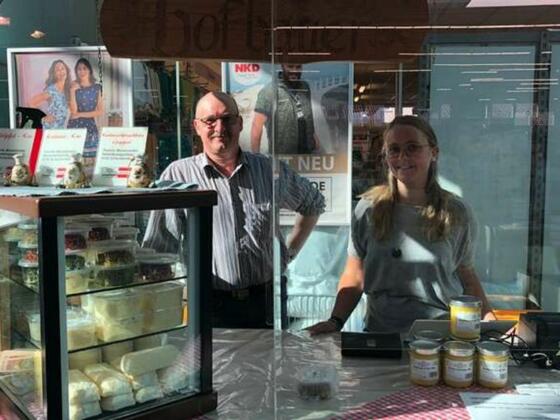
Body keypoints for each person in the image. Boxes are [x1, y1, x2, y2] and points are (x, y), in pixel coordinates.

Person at [143, 91, 325, 329]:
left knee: (269, 355)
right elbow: (158, 249)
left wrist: (288, 253)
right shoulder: (178, 176)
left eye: (227, 119)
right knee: (212, 356)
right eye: (210, 120)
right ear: (197, 127)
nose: (220, 127)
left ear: (239, 124)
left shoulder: (269, 171)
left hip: (267, 301)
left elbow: (313, 203)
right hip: (209, 302)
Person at [308, 115, 494, 335]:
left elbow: (467, 278)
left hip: (439, 340)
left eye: (412, 147)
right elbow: (355, 276)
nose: (402, 156)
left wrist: (491, 325)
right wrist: (335, 321)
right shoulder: (368, 210)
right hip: (380, 338)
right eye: (394, 149)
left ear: (434, 152)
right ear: (385, 156)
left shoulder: (456, 212)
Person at [251, 64, 320, 154]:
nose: (294, 71)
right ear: (283, 66)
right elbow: (257, 126)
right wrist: (256, 157)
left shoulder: (305, 87)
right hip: (282, 157)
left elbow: (306, 116)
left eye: (298, 67)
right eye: (290, 67)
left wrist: (314, 139)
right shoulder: (269, 91)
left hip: (307, 154)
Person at [67, 58, 104, 163]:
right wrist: (72, 91)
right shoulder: (73, 85)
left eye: (84, 68)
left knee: (91, 160)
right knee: (74, 160)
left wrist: (80, 114)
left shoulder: (97, 87)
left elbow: (100, 111)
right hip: (74, 126)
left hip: (90, 126)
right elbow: (73, 111)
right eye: (79, 69)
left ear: (89, 70)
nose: (82, 71)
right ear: (76, 71)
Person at [28, 59, 71, 129]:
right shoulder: (52, 90)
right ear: (54, 74)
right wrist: (43, 117)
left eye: (63, 68)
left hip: (61, 129)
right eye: (58, 70)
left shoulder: (68, 89)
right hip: (50, 129)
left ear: (66, 70)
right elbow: (31, 102)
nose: (61, 72)